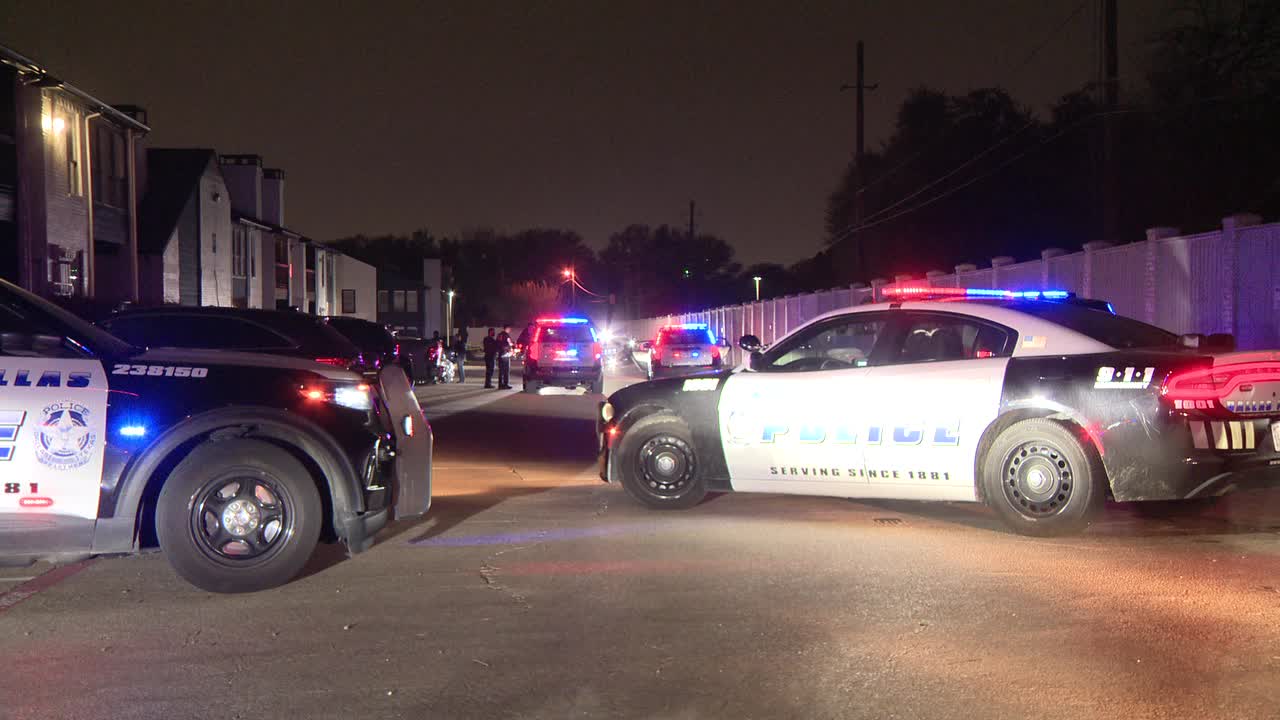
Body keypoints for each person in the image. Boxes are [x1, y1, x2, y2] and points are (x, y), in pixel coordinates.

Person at [496, 325, 514, 389]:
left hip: (500, 354)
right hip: (505, 354)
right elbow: (510, 343)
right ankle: (505, 384)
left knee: (501, 371)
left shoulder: (499, 335)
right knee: (506, 370)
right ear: (507, 328)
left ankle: (500, 384)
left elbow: (497, 344)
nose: (510, 330)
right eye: (509, 328)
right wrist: (513, 346)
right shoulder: (506, 335)